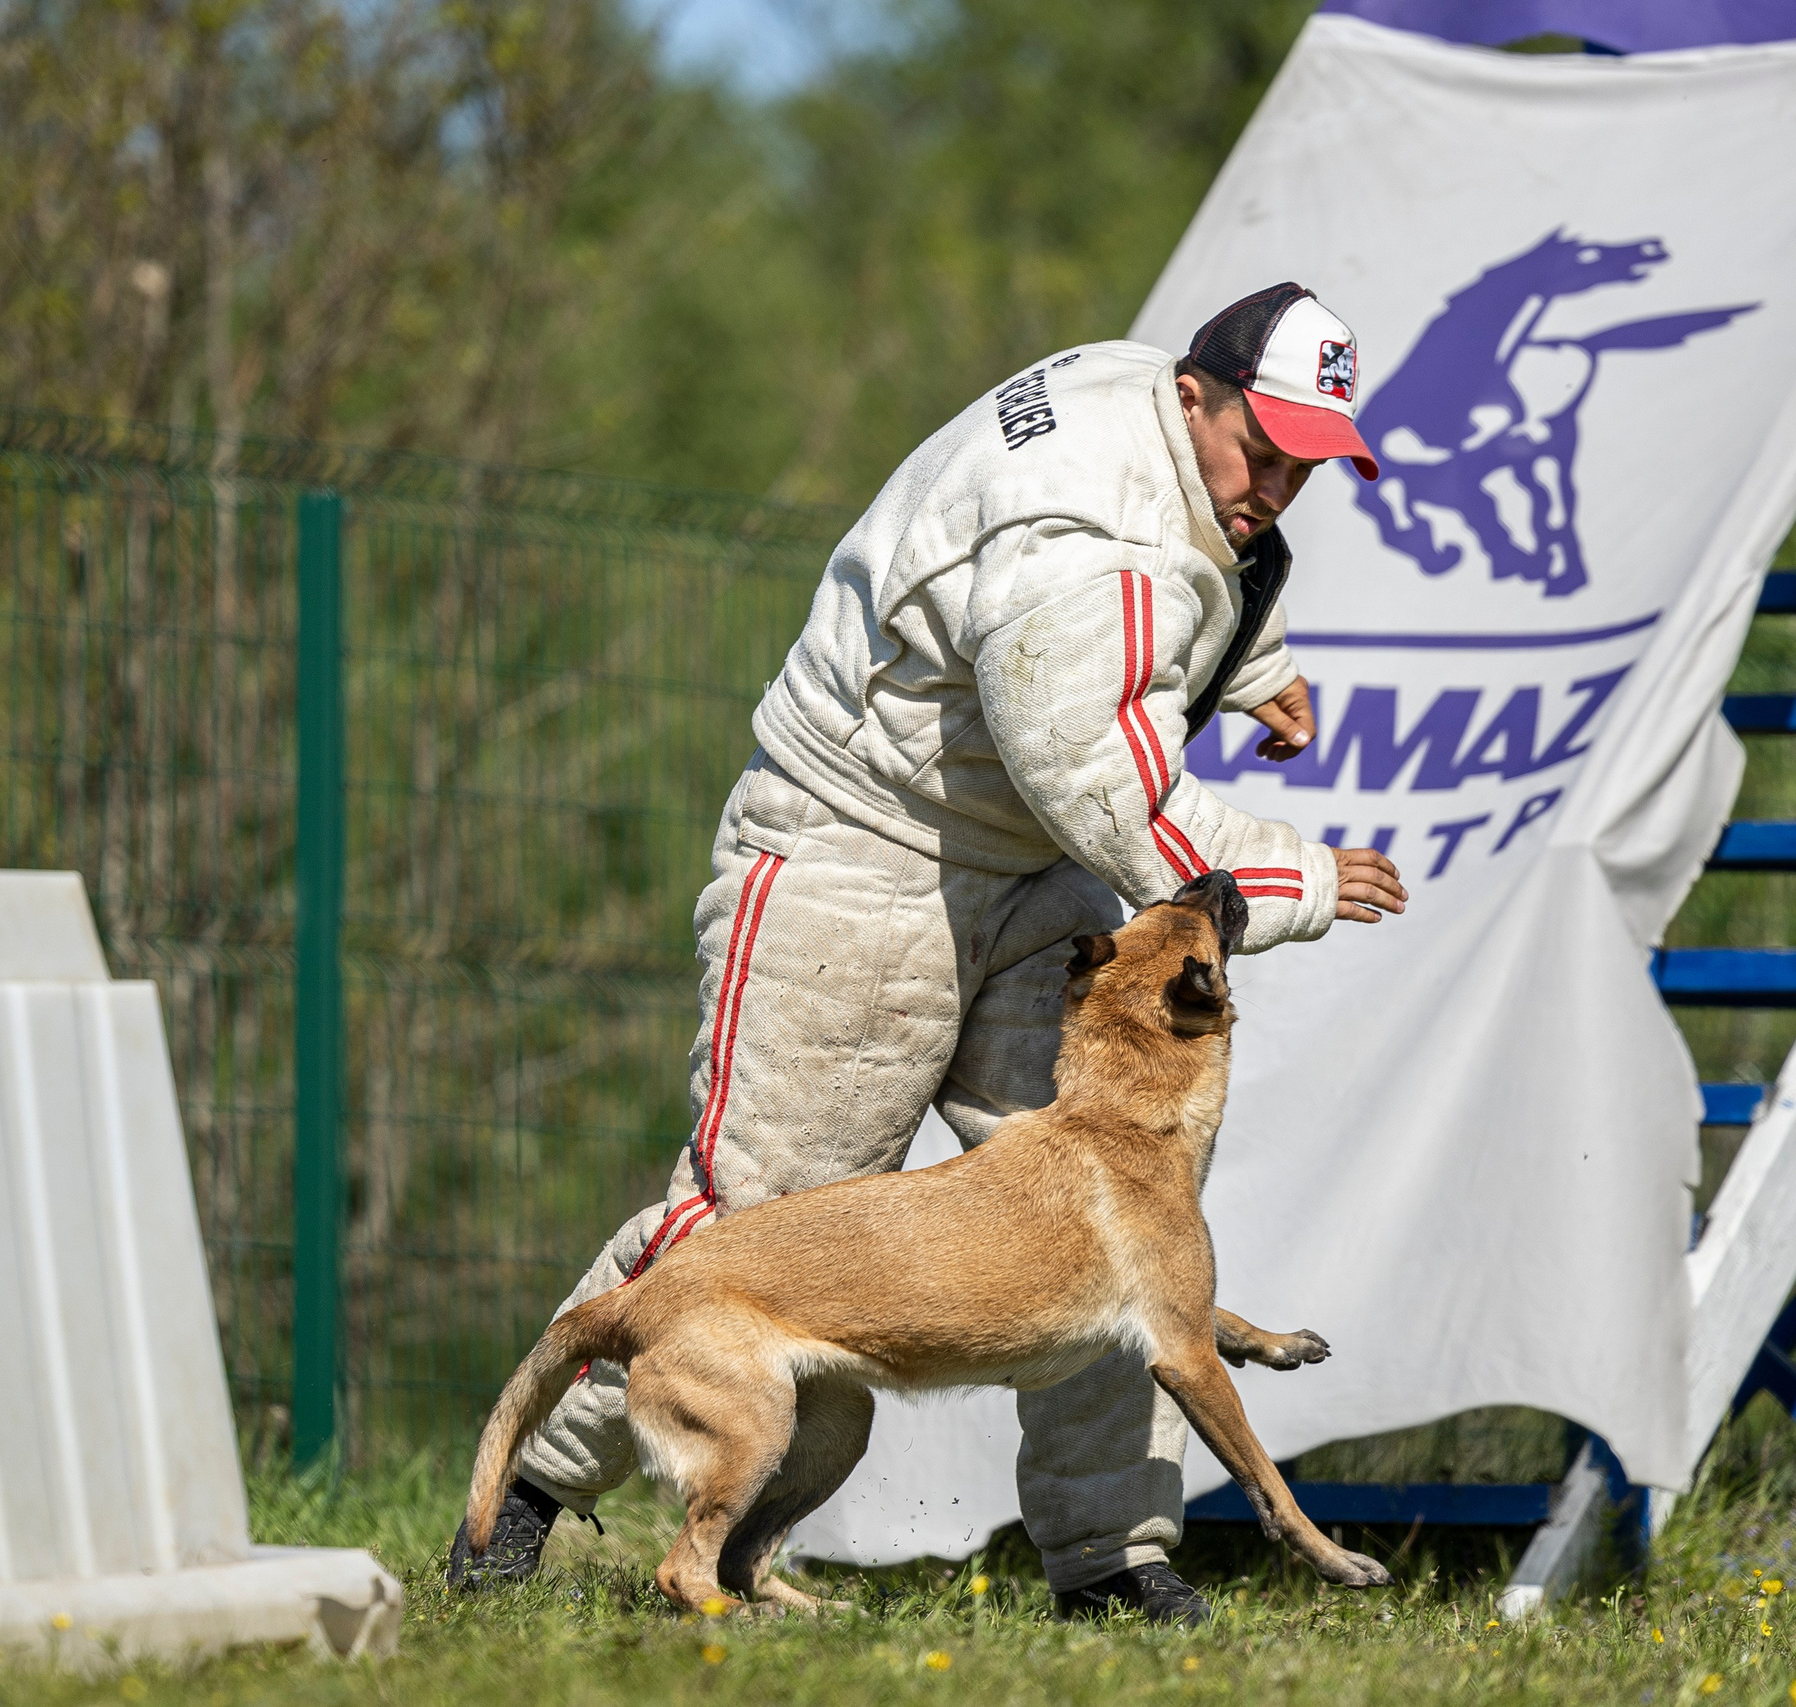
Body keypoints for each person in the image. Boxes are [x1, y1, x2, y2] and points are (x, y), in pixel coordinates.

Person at [448, 282, 1408, 1625]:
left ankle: (1114, 1558)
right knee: (755, 1209)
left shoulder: (1152, 408)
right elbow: (1110, 792)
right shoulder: (1080, 533)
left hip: (1023, 864)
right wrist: (1302, 877)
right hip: (858, 846)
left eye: (1315, 463)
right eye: (1270, 449)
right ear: (1195, 394)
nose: (1283, 485)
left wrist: (1250, 668)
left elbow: (1203, 563)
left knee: (1110, 1213)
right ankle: (525, 1511)